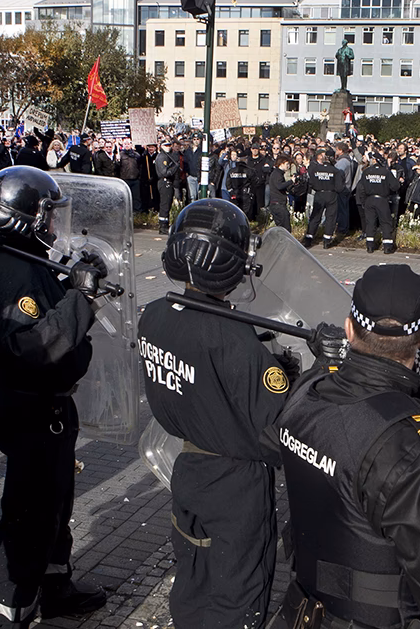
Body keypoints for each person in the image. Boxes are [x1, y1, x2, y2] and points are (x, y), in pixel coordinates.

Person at [274, 264, 420, 629]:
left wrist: (325, 362)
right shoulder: (415, 445)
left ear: (350, 329)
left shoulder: (306, 393)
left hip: (304, 611)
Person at [141, 199, 298, 628]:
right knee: (236, 595)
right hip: (235, 486)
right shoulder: (233, 337)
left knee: (193, 577)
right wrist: (295, 382)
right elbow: (276, 432)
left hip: (188, 469)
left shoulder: (154, 315)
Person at [0, 166, 109, 627]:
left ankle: (55, 585)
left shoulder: (20, 259)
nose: (53, 226)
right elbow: (35, 346)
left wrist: (77, 280)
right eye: (47, 216)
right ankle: (10, 609)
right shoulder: (11, 271)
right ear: (25, 218)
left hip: (45, 403)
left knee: (55, 499)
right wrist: (83, 300)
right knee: (29, 511)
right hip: (31, 403)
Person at [357, 154, 400, 253]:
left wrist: (364, 202)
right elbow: (395, 186)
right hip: (382, 200)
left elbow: (361, 188)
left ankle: (370, 246)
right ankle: (387, 246)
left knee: (370, 223)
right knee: (385, 222)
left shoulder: (366, 172)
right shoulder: (386, 172)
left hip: (369, 199)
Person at [303, 149, 342, 248]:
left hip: (319, 194)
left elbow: (311, 183)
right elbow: (339, 187)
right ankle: (327, 240)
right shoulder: (336, 171)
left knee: (315, 217)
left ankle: (309, 238)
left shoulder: (316, 169)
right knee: (330, 218)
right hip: (331, 195)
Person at [155, 140, 181, 234]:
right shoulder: (162, 157)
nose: (168, 146)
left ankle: (165, 223)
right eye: (166, 145)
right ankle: (163, 226)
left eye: (169, 145)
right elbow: (164, 172)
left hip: (168, 182)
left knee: (167, 205)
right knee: (164, 205)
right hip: (164, 182)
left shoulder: (168, 155)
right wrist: (175, 167)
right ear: (161, 146)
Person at [267, 154, 294, 231]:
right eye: (287, 164)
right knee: (285, 229)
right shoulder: (277, 174)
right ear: (281, 164)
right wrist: (291, 181)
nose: (288, 166)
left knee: (282, 228)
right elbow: (279, 186)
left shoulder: (278, 173)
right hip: (278, 204)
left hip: (277, 203)